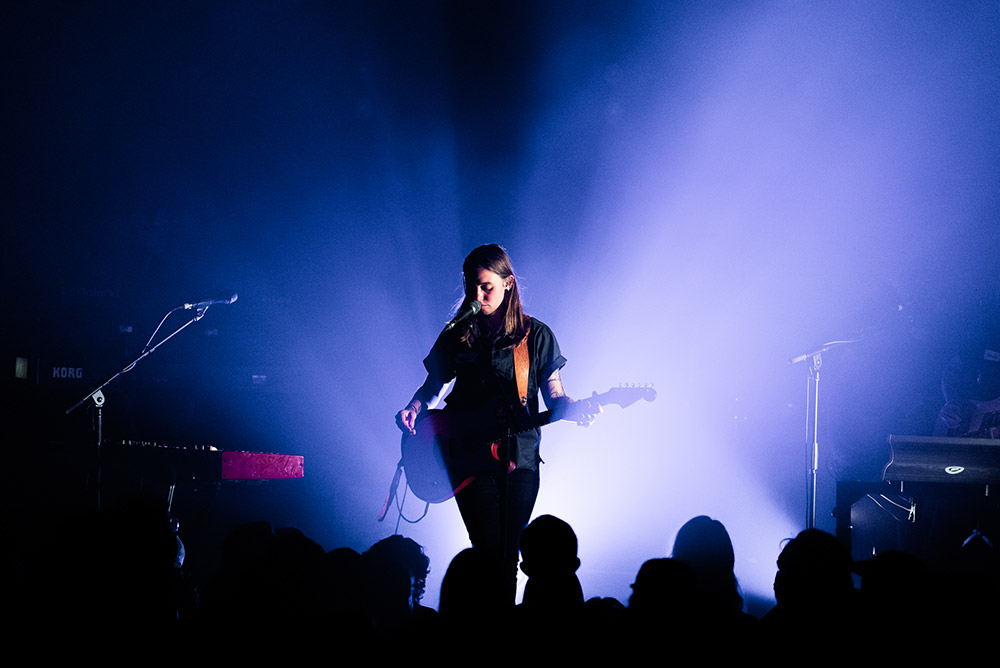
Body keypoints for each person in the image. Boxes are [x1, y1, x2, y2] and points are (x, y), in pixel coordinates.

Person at [395, 244, 597, 602]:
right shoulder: (457, 332)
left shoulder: (536, 336)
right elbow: (433, 388)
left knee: (510, 554)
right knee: (487, 551)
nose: (477, 296)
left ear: (508, 284)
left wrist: (573, 408)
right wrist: (414, 407)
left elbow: (555, 395)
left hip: (520, 459)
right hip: (469, 461)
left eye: (486, 287)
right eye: (471, 286)